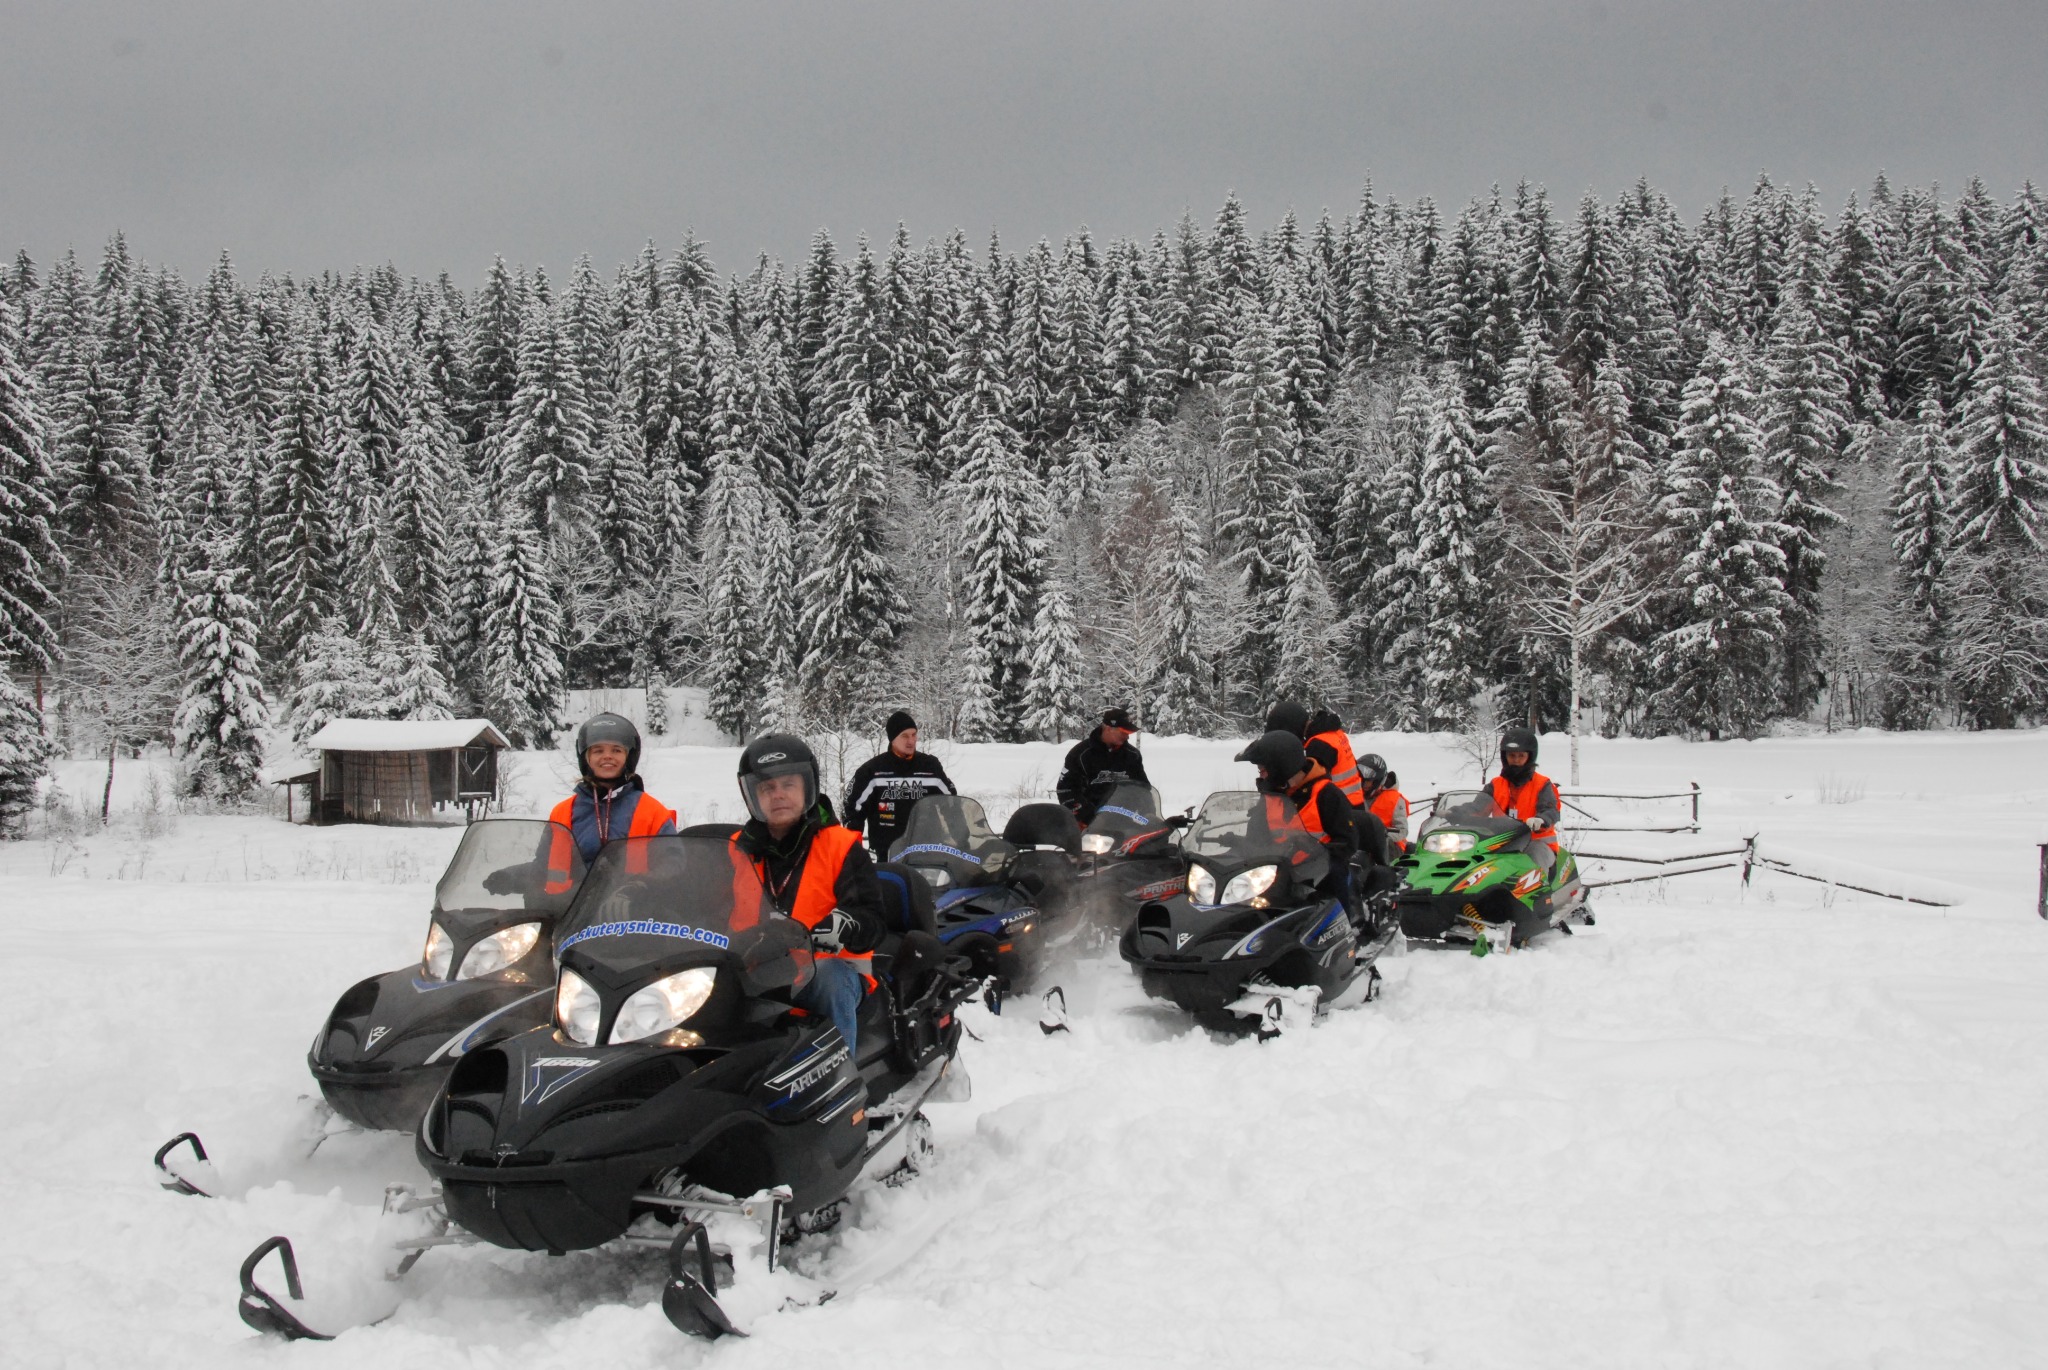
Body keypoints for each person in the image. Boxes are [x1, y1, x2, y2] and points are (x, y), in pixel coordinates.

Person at [733, 734, 886, 1054]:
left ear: (807, 787)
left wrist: (847, 925)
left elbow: (873, 917)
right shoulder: (735, 850)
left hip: (828, 970)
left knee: (829, 977)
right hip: (754, 971)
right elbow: (707, 910)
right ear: (752, 796)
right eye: (767, 788)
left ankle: (840, 1089)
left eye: (788, 785)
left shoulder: (840, 846)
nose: (778, 795)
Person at [1235, 729, 1356, 901]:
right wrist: (1237, 843)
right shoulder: (1272, 796)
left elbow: (1348, 842)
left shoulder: (1326, 794)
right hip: (1281, 869)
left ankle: (1352, 923)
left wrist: (1316, 848)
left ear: (1282, 766)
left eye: (1263, 769)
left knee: (1337, 878)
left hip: (1321, 871)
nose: (1261, 775)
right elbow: (1257, 836)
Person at [550, 713, 677, 863]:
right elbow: (541, 866)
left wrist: (644, 884)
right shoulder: (562, 813)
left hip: (632, 887)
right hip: (576, 887)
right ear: (586, 758)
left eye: (616, 750)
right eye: (598, 751)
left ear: (628, 757)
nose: (607, 756)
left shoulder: (653, 812)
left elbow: (673, 865)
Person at [843, 710, 957, 860]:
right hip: (887, 854)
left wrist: (963, 840)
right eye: (904, 736)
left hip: (927, 851)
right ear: (892, 739)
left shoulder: (930, 767)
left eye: (913, 735)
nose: (911, 741)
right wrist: (854, 851)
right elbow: (852, 810)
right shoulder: (872, 771)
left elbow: (951, 804)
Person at [1056, 707, 1151, 826]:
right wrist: (1087, 816)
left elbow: (1143, 788)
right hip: (1087, 822)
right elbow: (1066, 790)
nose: (1127, 737)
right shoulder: (1080, 754)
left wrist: (1149, 814)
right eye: (1123, 732)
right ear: (1108, 729)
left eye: (1128, 733)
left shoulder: (1132, 755)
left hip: (1124, 819)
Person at [1489, 726, 1561, 874]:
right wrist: (1455, 812)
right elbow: (1477, 807)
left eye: (1521, 756)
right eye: (1512, 755)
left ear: (1530, 757)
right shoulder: (1496, 784)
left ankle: (1539, 895)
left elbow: (1551, 810)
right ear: (1505, 757)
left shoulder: (1542, 784)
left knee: (1533, 862)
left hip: (1537, 843)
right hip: (1502, 843)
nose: (1515, 760)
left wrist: (1541, 820)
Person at [1304, 708, 1366, 808]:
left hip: (1338, 805)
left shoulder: (1319, 744)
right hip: (1355, 799)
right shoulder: (1338, 734)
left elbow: (1309, 779)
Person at [1357, 752, 1411, 854]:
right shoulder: (1354, 795)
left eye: (1368, 782)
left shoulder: (1394, 799)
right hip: (1360, 844)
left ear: (1377, 781)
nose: (1364, 785)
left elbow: (1402, 830)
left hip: (1391, 847)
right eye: (1361, 781)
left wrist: (1381, 835)